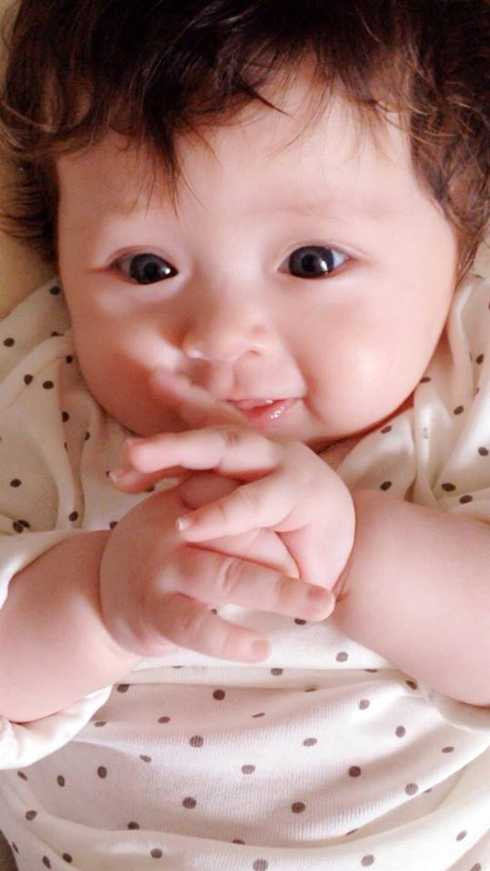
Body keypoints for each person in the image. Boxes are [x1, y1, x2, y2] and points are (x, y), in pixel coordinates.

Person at [0, 0, 488, 868]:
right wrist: (97, 602)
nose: (220, 337)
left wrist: (355, 549)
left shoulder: (460, 387)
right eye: (147, 268)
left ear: (459, 249)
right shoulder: (49, 400)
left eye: (312, 262)